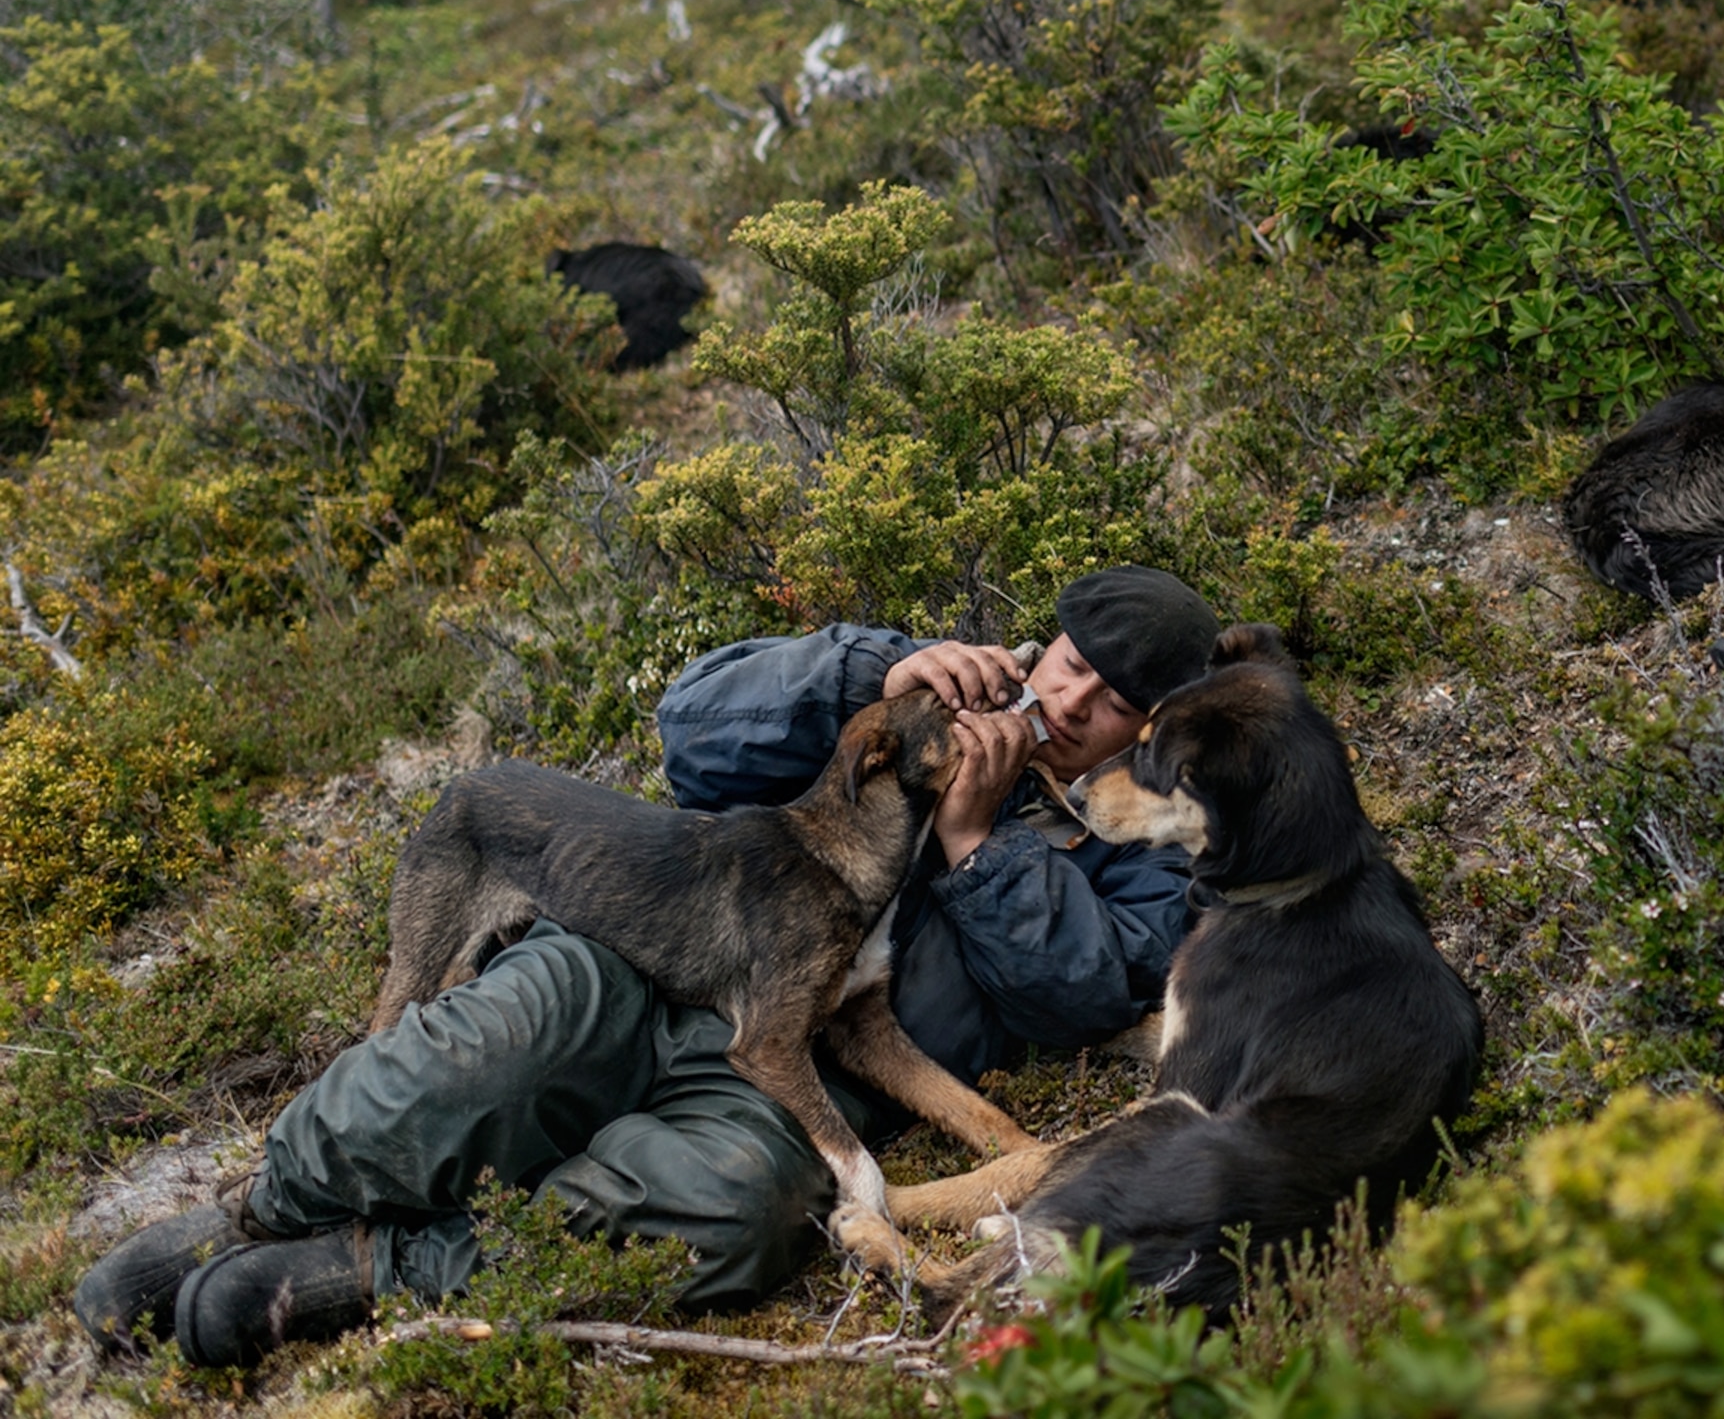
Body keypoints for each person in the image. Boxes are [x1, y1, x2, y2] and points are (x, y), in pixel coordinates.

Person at [72, 566, 1223, 1370]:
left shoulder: (1134, 841)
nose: (1068, 702)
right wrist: (871, 675)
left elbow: (1086, 992)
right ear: (1041, 643)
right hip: (640, 952)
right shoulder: (911, 698)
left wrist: (976, 845)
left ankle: (382, 1265)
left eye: (1113, 700)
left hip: (798, 1085)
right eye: (1068, 665)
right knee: (490, 1052)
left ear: (1151, 724)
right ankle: (263, 1210)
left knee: (730, 1215)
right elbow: (693, 728)